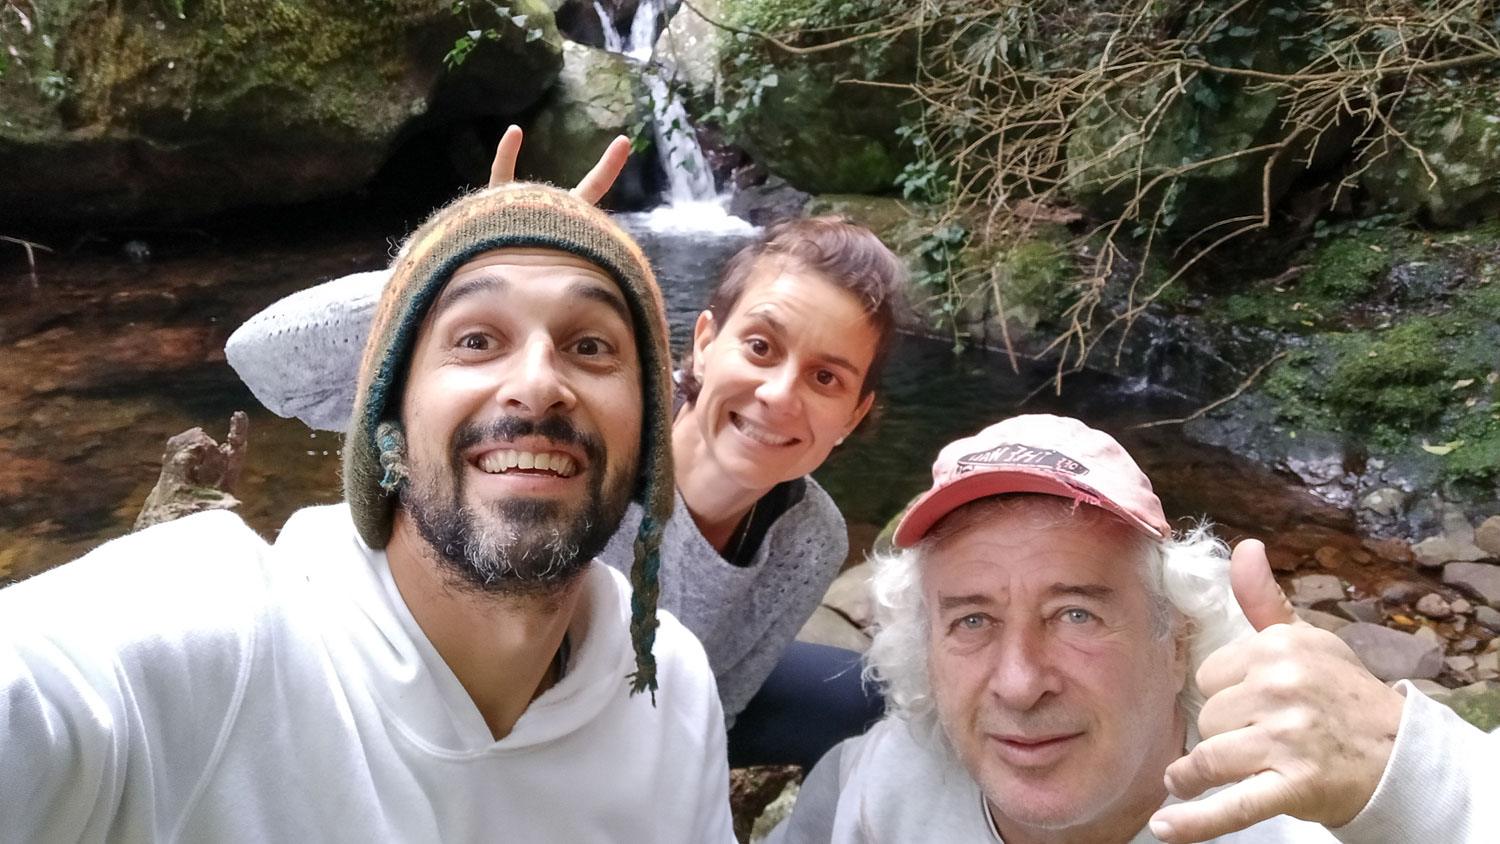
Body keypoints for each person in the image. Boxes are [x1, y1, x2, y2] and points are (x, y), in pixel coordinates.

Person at [0, 184, 736, 842]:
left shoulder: (672, 683)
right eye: (476, 339)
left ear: (647, 434)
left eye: (590, 345)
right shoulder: (209, 633)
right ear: (388, 418)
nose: (538, 384)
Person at [225, 127, 910, 768]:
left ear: (855, 413)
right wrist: (482, 262)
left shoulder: (807, 537)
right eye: (761, 347)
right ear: (704, 342)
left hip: (636, 716)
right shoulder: (589, 417)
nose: (779, 394)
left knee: (885, 704)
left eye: (826, 378)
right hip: (444, 695)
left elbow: (715, 705)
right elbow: (267, 363)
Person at [772, 414, 1498, 843]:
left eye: (1076, 613)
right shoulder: (871, 786)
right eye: (972, 620)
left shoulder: (1301, 820)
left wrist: (1411, 774)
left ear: (1176, 635)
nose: (1020, 683)